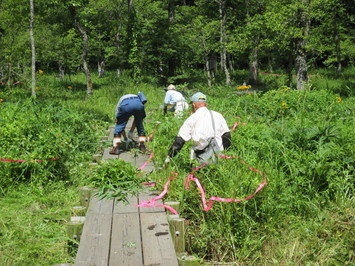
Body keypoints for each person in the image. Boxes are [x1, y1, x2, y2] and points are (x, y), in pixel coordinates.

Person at [165, 92, 231, 165]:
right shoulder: (218, 115)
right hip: (218, 157)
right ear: (205, 104)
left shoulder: (192, 118)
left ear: (194, 105)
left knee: (197, 174)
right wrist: (222, 151)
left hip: (200, 159)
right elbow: (227, 136)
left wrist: (169, 157)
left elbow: (179, 141)